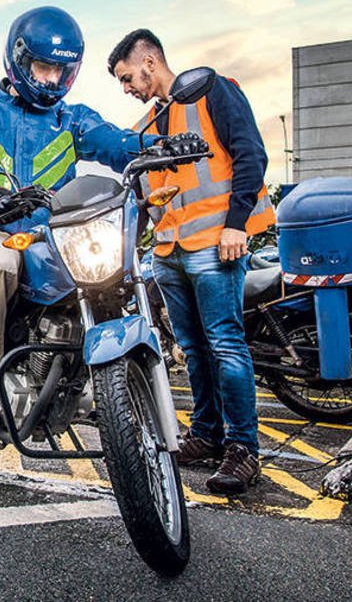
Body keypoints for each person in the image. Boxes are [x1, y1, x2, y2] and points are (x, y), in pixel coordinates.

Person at [0, 7, 200, 420]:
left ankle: (90, 378)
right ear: (20, 60)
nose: (52, 81)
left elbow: (113, 141)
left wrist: (158, 146)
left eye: (63, 72)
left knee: (109, 270)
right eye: (44, 68)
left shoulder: (70, 119)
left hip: (51, 234)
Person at [108, 28, 275, 495]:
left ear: (149, 62)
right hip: (169, 252)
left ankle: (243, 449)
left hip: (214, 244)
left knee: (225, 345)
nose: (126, 88)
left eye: (127, 77)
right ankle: (207, 434)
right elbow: (145, 197)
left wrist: (236, 224)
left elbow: (250, 155)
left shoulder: (212, 91)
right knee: (193, 349)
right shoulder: (148, 124)